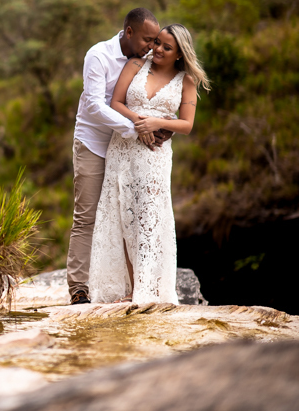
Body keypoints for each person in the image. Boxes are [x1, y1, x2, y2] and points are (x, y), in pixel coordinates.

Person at [88, 24, 210, 304]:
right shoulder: (135, 65)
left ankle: (149, 287)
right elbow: (116, 103)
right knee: (122, 216)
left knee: (149, 218)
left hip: (155, 156)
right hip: (123, 149)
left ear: (179, 53)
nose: (157, 50)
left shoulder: (186, 81)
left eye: (166, 47)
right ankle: (132, 289)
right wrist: (140, 123)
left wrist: (158, 123)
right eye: (157, 43)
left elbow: (187, 125)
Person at [68, 8, 161, 305]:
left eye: (155, 40)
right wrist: (136, 127)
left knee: (128, 217)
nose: (151, 45)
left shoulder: (146, 59)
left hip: (128, 149)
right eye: (147, 39)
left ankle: (133, 288)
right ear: (129, 32)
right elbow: (94, 106)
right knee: (87, 217)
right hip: (94, 144)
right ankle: (79, 289)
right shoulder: (98, 55)